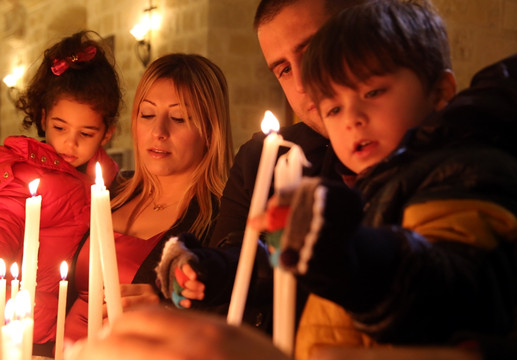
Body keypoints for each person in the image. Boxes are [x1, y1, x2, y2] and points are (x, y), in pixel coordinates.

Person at [258, 0, 517, 358]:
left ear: (441, 92)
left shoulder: (460, 171)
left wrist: (349, 252)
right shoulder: (374, 183)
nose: (352, 118)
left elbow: (448, 290)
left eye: (372, 92)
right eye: (333, 108)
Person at [154, 0, 361, 329]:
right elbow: (239, 259)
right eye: (284, 69)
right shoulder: (261, 158)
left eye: (313, 52)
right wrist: (204, 271)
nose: (302, 84)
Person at [0, 31, 121, 346]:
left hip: (63, 331)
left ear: (106, 133)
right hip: (9, 327)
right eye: (60, 128)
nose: (69, 143)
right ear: (43, 117)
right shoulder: (24, 170)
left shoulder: (107, 180)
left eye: (86, 133)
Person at [63, 53, 234, 342]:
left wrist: (169, 308)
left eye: (179, 118)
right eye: (148, 114)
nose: (158, 132)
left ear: (210, 130)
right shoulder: (110, 191)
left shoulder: (221, 222)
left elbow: (231, 321)